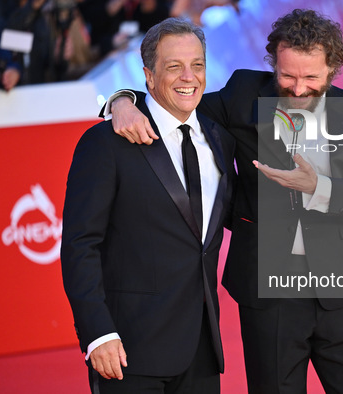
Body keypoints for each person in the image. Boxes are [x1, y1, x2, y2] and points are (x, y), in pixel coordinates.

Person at [103, 9, 343, 393]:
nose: (297, 89)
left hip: (338, 295)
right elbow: (175, 104)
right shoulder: (244, 94)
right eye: (287, 75)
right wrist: (123, 101)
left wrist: (319, 186)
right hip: (268, 296)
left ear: (334, 69)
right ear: (273, 61)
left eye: (311, 78)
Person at [61, 17, 235, 394]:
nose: (188, 77)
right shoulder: (107, 143)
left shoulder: (219, 135)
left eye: (197, 65)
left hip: (202, 349)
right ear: (149, 76)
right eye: (173, 66)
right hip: (128, 348)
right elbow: (79, 245)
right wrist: (97, 333)